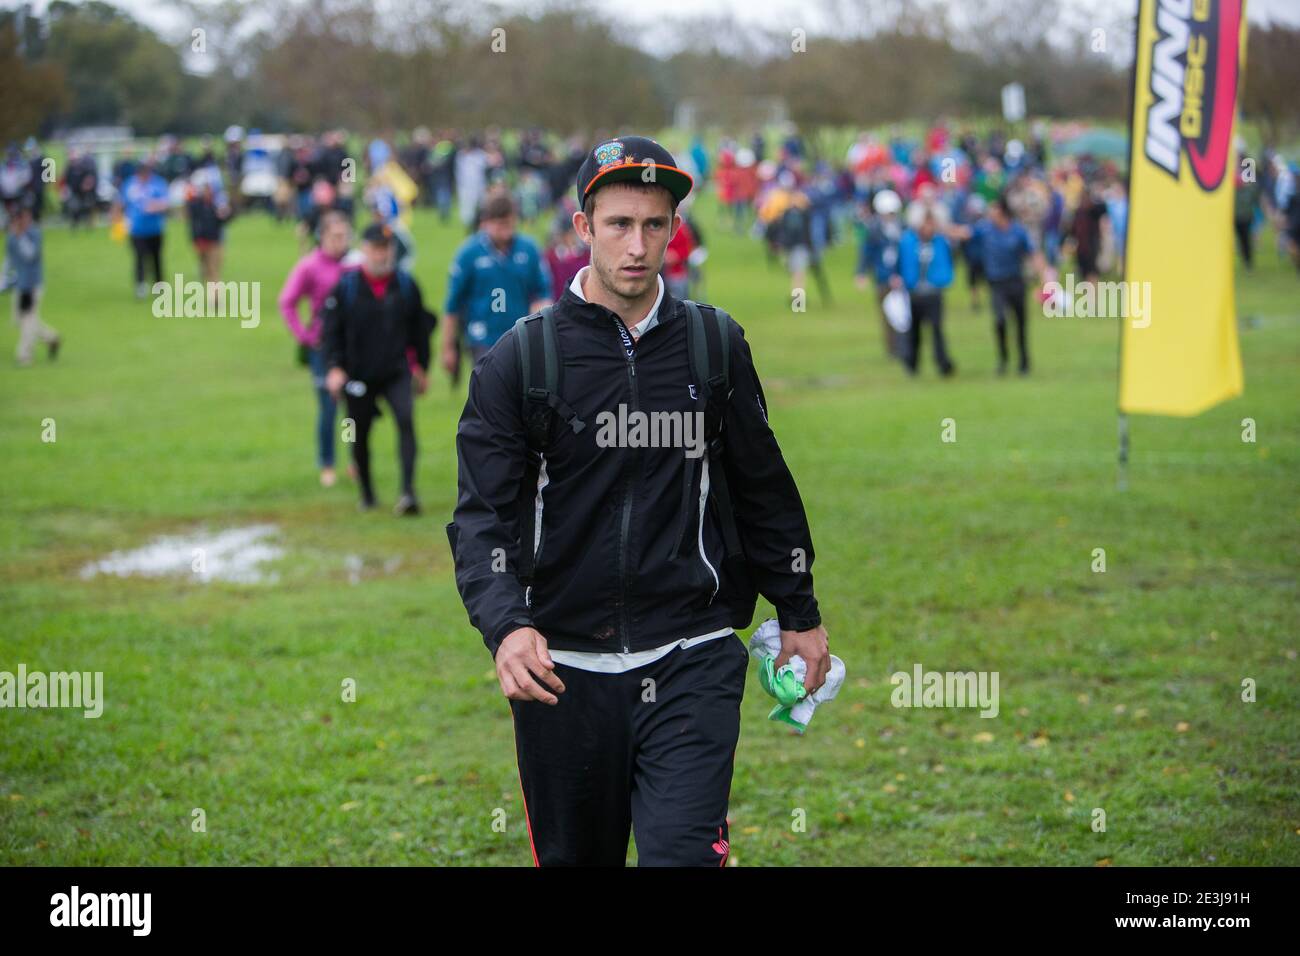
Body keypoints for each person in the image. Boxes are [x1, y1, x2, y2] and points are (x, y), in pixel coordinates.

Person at [446, 135, 829, 867]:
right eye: (619, 224)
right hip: (563, 672)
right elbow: (481, 517)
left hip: (693, 654)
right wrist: (505, 626)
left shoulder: (714, 346)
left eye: (655, 225)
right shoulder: (520, 362)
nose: (637, 245)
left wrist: (800, 612)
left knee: (683, 856)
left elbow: (763, 486)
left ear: (674, 230)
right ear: (582, 227)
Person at [322, 223, 434, 514]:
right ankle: (367, 493)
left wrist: (422, 367)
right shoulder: (345, 288)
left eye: (386, 249)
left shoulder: (407, 285)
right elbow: (331, 332)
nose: (381, 254)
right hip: (358, 374)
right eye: (375, 248)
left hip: (396, 371)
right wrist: (335, 368)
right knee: (359, 434)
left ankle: (408, 492)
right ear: (364, 250)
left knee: (406, 421)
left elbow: (419, 330)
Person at [279, 211, 358, 487]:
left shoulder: (355, 264)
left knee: (355, 407)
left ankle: (355, 460)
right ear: (321, 237)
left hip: (353, 346)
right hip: (323, 348)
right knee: (328, 406)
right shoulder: (309, 266)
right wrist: (306, 336)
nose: (340, 241)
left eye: (344, 236)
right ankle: (327, 463)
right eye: (334, 236)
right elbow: (287, 302)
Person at [441, 192, 550, 372]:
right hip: (482, 338)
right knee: (488, 393)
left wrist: (539, 308)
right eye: (499, 225)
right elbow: (452, 304)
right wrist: (448, 347)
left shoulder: (529, 249)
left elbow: (544, 291)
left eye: (509, 223)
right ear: (486, 222)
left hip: (520, 336)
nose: (505, 230)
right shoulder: (469, 254)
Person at [961, 197, 1047, 375]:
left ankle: (1024, 361)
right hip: (996, 283)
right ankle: (1003, 359)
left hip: (1015, 281)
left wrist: (1044, 278)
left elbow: (1033, 254)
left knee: (1020, 323)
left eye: (993, 209)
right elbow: (965, 233)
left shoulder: (1017, 231)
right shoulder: (986, 229)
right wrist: (942, 228)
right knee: (999, 320)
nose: (990, 213)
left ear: (1002, 212)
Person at [896, 208, 956, 377]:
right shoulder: (908, 242)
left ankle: (942, 363)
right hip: (914, 293)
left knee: (937, 329)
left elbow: (947, 263)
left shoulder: (940, 242)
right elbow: (900, 264)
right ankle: (911, 363)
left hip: (933, 293)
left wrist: (943, 280)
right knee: (914, 331)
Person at [2, 201, 59, 366]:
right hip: (19, 284)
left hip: (32, 285)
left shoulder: (34, 234)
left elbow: (30, 255)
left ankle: (24, 355)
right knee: (21, 320)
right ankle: (51, 338)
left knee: (28, 320)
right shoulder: (12, 236)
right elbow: (9, 259)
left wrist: (20, 237)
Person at [120, 159, 169, 299]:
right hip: (137, 229)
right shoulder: (130, 184)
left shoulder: (158, 183)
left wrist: (155, 206)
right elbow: (121, 201)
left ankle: (159, 286)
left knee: (156, 258)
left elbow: (166, 202)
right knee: (139, 257)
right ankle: (140, 285)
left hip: (155, 229)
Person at [184, 171, 231, 301]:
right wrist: (195, 240)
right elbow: (193, 225)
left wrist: (226, 214)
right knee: (205, 270)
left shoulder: (217, 204)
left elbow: (224, 220)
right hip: (201, 242)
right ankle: (211, 295)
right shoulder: (196, 206)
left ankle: (215, 299)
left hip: (215, 241)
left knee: (214, 269)